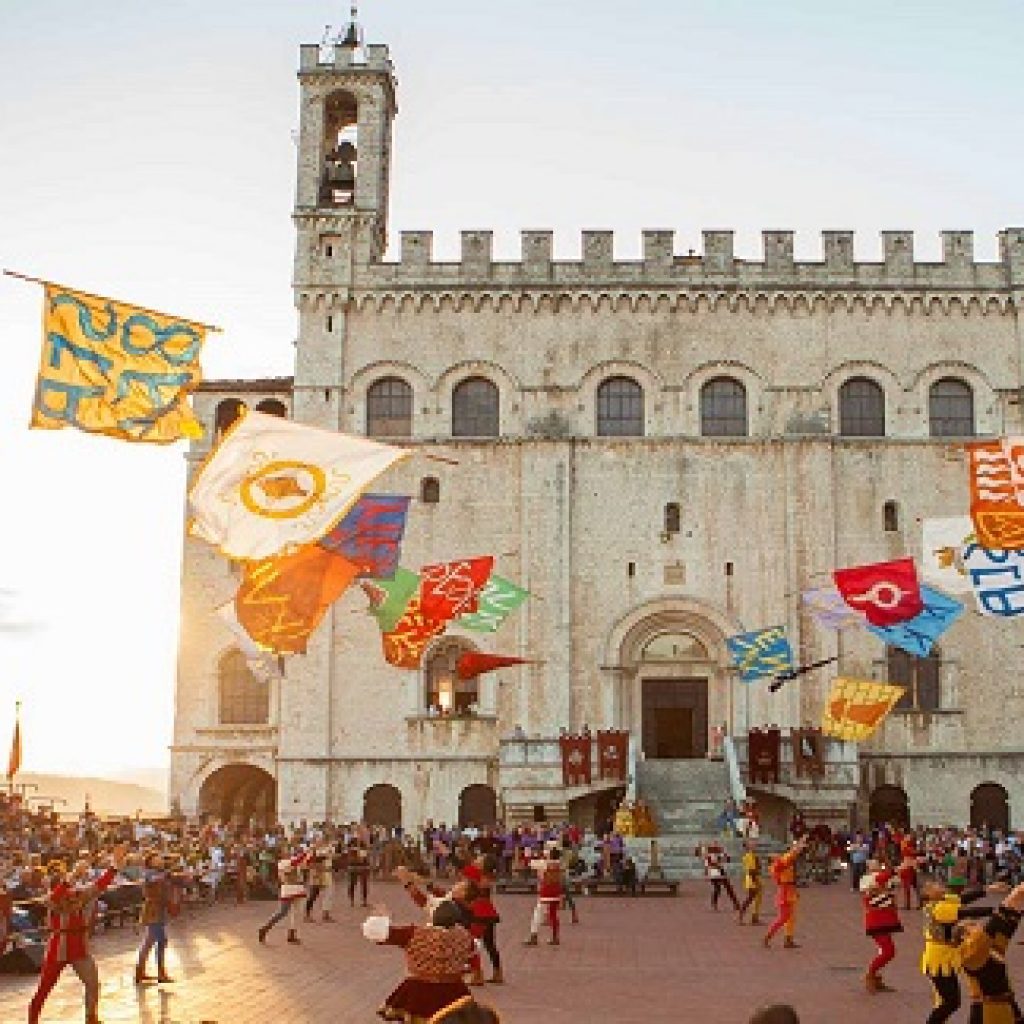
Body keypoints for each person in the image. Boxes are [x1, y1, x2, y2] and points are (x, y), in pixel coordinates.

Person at [28, 843, 128, 1024]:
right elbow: (55, 896)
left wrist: (114, 865)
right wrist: (73, 875)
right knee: (45, 988)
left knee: (92, 983)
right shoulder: (51, 898)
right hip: (58, 945)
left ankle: (91, 1018)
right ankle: (32, 1020)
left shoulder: (80, 895)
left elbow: (101, 884)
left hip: (79, 945)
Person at [363, 899, 475, 1022]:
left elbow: (379, 935)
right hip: (454, 990)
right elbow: (471, 953)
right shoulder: (464, 936)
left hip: (419, 990)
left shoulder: (414, 934)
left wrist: (381, 917)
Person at [957, 879, 1024, 1023]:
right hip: (987, 1012)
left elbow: (1007, 925)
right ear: (964, 936)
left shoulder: (989, 949)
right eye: (973, 926)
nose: (978, 926)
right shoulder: (969, 954)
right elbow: (994, 925)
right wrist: (1015, 893)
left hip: (1006, 1007)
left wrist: (1019, 895)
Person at [135, 851, 179, 985]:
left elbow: (175, 861)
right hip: (153, 910)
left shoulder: (161, 872)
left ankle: (140, 972)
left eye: (160, 859)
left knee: (151, 941)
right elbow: (152, 880)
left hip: (160, 909)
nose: (159, 861)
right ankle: (159, 973)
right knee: (159, 940)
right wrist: (166, 873)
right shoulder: (148, 873)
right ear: (150, 862)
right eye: (156, 859)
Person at [860, 861, 902, 994]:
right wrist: (897, 868)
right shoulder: (869, 879)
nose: (877, 866)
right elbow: (881, 879)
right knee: (888, 951)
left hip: (884, 919)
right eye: (874, 864)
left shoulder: (880, 879)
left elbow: (895, 882)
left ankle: (876, 977)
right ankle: (870, 974)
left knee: (885, 951)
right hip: (877, 921)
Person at [258, 844, 311, 945]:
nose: (288, 850)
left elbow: (305, 862)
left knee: (297, 913)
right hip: (289, 888)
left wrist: (311, 853)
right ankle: (265, 928)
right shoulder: (283, 862)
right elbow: (296, 861)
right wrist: (309, 850)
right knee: (282, 912)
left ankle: (292, 934)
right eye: (285, 849)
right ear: (280, 853)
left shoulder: (292, 859)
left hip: (299, 888)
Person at [764, 835, 809, 950]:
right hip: (784, 892)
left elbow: (790, 854)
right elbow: (791, 855)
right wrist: (800, 844)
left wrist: (799, 844)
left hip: (789, 890)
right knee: (783, 917)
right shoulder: (778, 865)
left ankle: (788, 939)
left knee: (791, 917)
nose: (776, 854)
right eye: (773, 855)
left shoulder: (780, 863)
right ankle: (768, 936)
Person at [523, 845, 563, 946]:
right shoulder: (559, 864)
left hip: (546, 892)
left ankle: (534, 935)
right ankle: (555, 937)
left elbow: (529, 863)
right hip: (556, 892)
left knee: (538, 913)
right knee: (553, 915)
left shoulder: (544, 863)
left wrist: (528, 854)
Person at [702, 841, 740, 912]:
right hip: (714, 871)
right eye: (714, 846)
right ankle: (714, 904)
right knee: (717, 888)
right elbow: (708, 865)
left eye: (716, 845)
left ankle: (736, 903)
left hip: (720, 871)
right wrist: (707, 873)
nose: (715, 847)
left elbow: (728, 859)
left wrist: (724, 854)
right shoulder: (708, 855)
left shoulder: (719, 853)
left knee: (728, 887)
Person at [738, 840, 763, 925]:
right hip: (752, 879)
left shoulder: (752, 855)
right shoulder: (748, 856)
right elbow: (751, 870)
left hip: (754, 878)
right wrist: (755, 881)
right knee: (749, 898)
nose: (754, 845)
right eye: (751, 844)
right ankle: (741, 916)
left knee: (756, 898)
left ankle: (754, 917)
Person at [348, 838, 371, 907]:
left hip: (362, 867)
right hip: (353, 866)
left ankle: (364, 900)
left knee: (364, 884)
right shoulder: (351, 842)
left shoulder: (363, 844)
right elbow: (348, 854)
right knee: (352, 884)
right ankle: (352, 900)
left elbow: (366, 856)